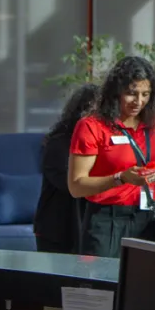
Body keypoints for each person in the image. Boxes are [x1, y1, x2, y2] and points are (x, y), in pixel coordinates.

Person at [67, 56, 155, 258]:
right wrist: (120, 178)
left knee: (144, 285)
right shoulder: (91, 126)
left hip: (147, 215)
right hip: (106, 219)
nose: (139, 101)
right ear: (116, 92)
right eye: (131, 94)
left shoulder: (151, 124)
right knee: (104, 285)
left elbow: (149, 163)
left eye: (145, 94)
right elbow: (76, 186)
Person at [34, 83, 99, 254]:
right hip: (58, 229)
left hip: (89, 228)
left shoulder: (102, 143)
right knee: (59, 280)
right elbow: (70, 184)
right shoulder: (58, 143)